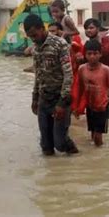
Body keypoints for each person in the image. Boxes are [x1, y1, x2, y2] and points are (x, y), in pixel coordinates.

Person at [24, 14, 79, 156]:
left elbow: (68, 75)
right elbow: (38, 75)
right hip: (43, 99)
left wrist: (62, 103)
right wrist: (34, 99)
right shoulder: (35, 49)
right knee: (46, 146)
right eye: (30, 37)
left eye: (35, 35)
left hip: (60, 98)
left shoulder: (60, 44)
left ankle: (75, 155)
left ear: (42, 28)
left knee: (60, 143)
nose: (33, 39)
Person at [74, 40, 109, 146]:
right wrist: (76, 107)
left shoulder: (105, 70)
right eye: (89, 54)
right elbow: (79, 88)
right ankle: (96, 155)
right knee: (93, 135)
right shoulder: (82, 69)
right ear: (85, 54)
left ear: (100, 54)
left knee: (98, 137)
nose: (92, 56)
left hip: (102, 107)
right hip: (90, 107)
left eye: (95, 53)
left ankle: (101, 157)